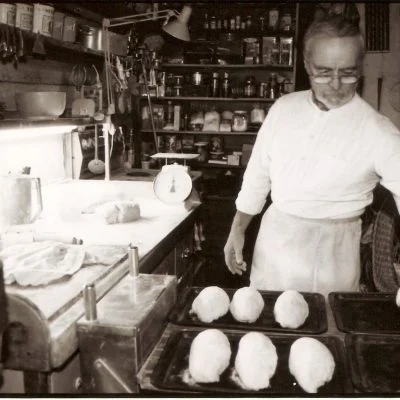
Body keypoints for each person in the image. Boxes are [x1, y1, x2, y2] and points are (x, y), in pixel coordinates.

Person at [224, 15, 400, 297]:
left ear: (361, 68)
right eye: (323, 71)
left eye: (348, 72)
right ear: (306, 65)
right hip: (276, 244)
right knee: (266, 326)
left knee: (326, 331)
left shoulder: (378, 132)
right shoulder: (283, 108)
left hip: (333, 255)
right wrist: (238, 229)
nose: (336, 84)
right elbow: (257, 175)